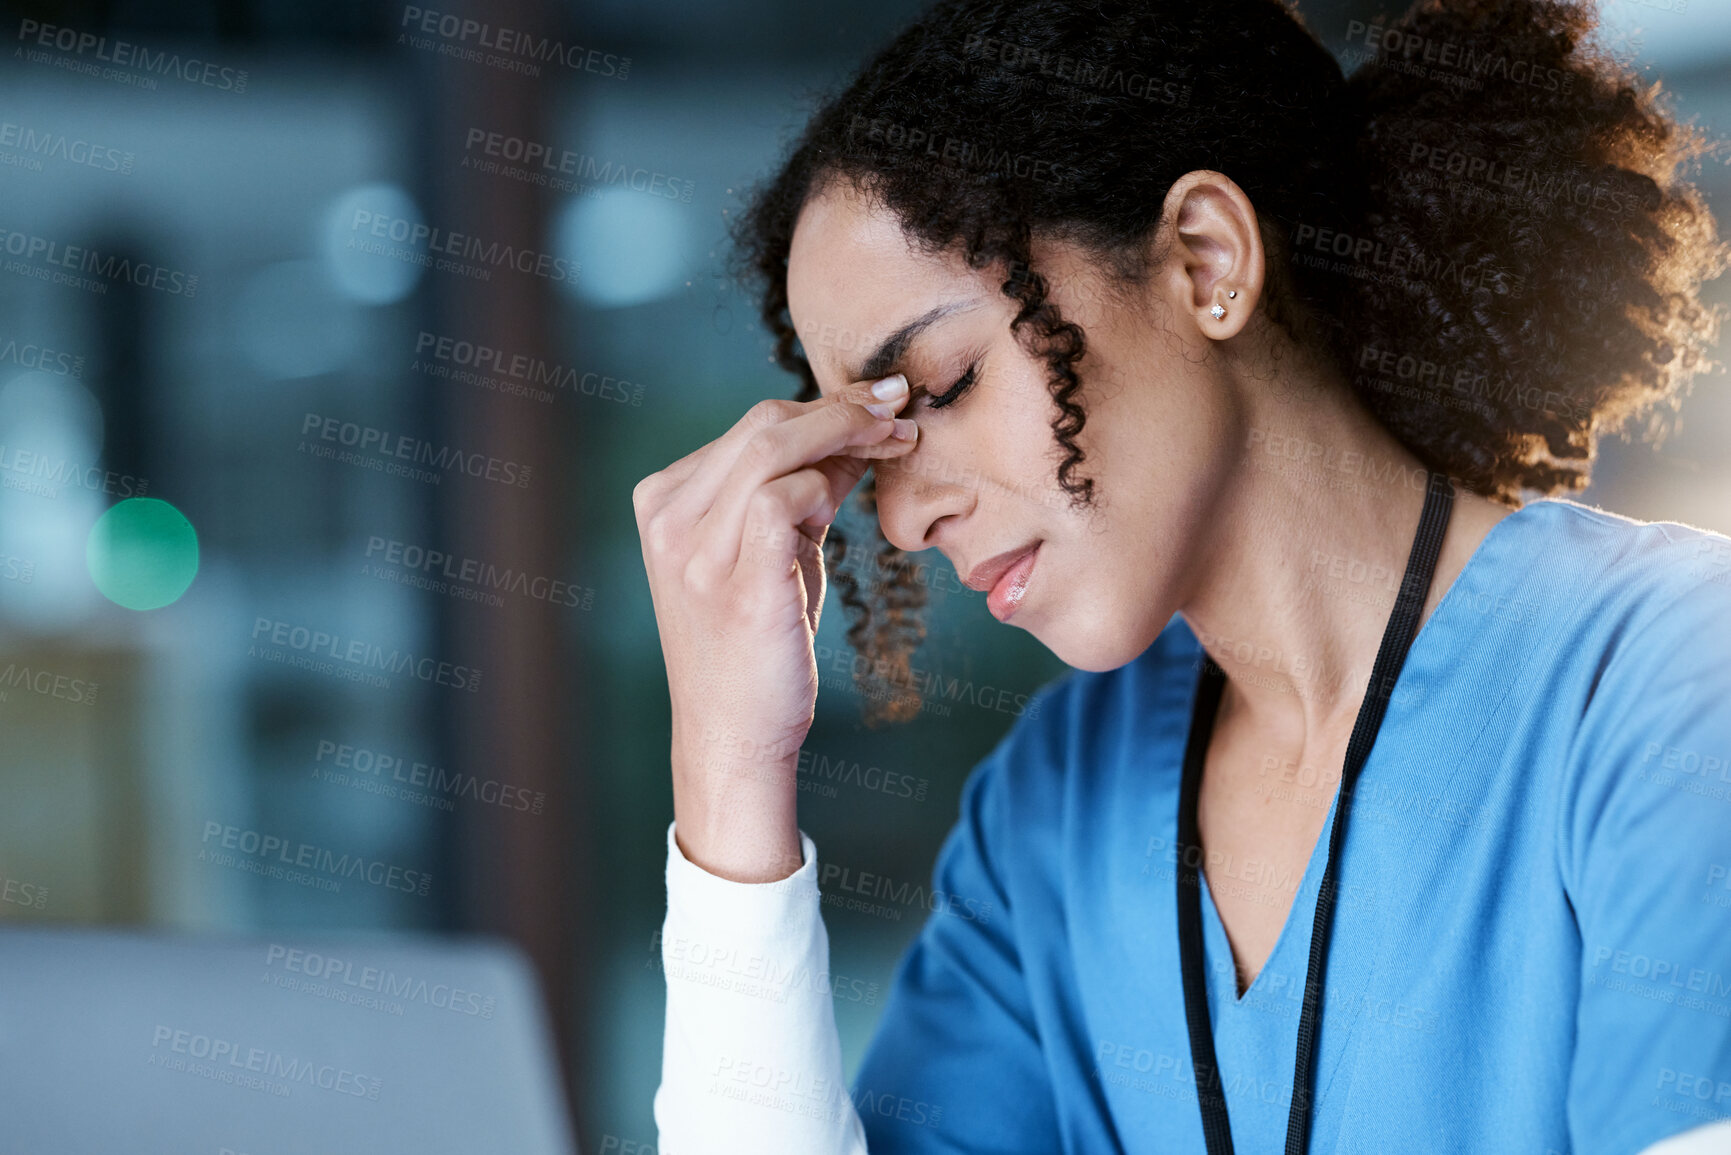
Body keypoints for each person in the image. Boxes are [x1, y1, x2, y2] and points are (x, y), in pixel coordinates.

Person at [632, 0, 1731, 1150]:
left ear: (1207, 259)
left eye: (945, 384)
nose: (902, 520)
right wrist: (727, 772)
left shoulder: (1671, 685)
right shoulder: (1049, 814)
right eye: (873, 448)